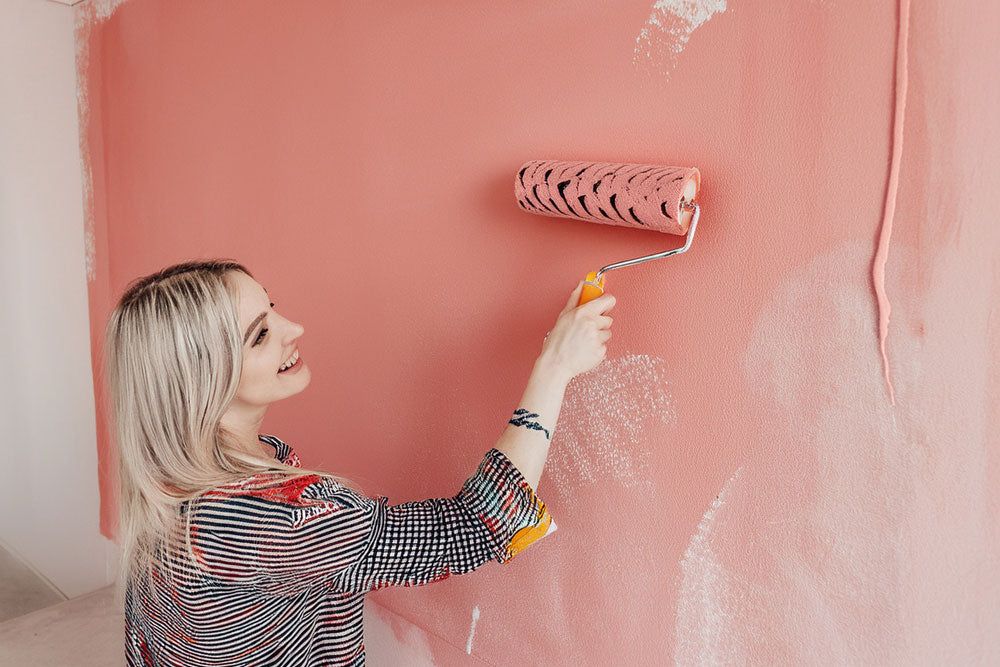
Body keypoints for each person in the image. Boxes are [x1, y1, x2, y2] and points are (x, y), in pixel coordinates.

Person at [105, 259, 615, 666]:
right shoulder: (275, 516)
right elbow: (480, 525)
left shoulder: (165, 471)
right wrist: (554, 370)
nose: (295, 327)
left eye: (273, 306)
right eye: (259, 334)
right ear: (202, 383)